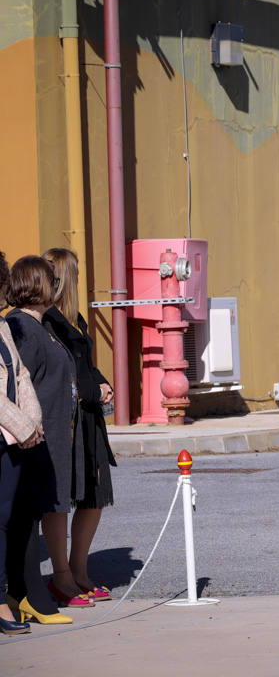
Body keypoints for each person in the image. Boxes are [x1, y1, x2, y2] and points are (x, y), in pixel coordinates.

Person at [4, 256, 90, 611]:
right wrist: (27, 428)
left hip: (51, 433)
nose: (57, 285)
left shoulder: (44, 326)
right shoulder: (21, 325)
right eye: (51, 280)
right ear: (38, 284)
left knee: (37, 513)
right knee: (24, 518)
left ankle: (30, 592)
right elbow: (16, 383)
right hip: (31, 438)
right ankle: (23, 593)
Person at [41, 249, 117, 602]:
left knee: (93, 497)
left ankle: (80, 570)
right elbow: (62, 374)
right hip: (66, 421)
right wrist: (92, 389)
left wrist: (104, 383)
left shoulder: (74, 319)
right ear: (69, 277)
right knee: (59, 500)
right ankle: (62, 576)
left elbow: (86, 364)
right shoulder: (47, 321)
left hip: (89, 419)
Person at [0, 252, 43, 635]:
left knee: (5, 519)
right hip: (7, 432)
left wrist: (33, 423)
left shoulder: (1, 328)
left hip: (9, 438)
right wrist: (22, 426)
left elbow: (21, 376)